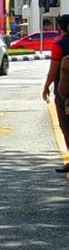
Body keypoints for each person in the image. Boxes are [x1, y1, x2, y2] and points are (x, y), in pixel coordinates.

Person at [42, 14, 69, 172]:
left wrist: (46, 86)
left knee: (66, 125)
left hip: (64, 92)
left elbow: (53, 72)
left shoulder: (59, 45)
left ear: (60, 27)